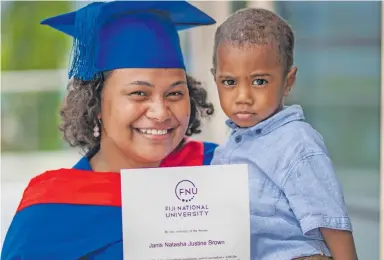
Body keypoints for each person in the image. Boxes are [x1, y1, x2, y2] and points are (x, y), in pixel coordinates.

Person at [1, 1, 217, 259]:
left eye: (174, 93)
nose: (160, 112)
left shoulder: (218, 170)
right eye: (139, 93)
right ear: (96, 102)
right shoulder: (49, 212)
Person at [210, 8, 358, 260]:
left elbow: (334, 228)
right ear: (215, 79)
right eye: (229, 82)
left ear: (288, 81)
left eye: (259, 81)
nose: (243, 97)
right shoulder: (230, 147)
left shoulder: (296, 143)